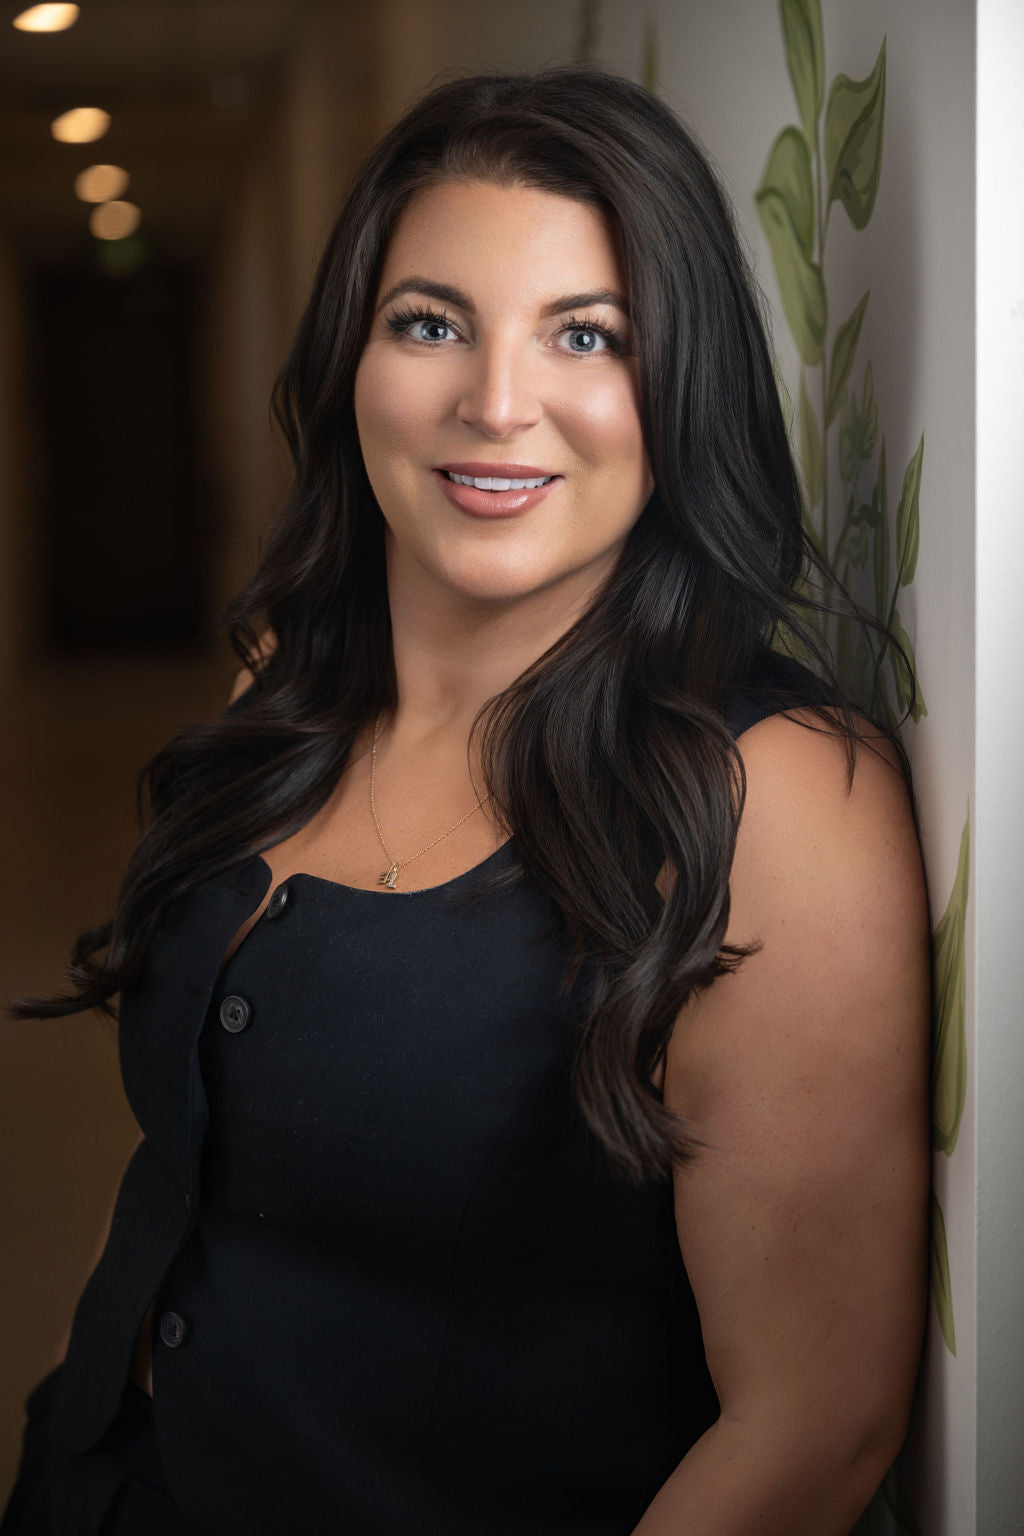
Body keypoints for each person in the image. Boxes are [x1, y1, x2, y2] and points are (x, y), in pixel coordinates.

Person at [3, 65, 929, 1536]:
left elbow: (812, 1429)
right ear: (350, 364)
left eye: (588, 336)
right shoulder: (287, 687)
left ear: (678, 381)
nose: (496, 404)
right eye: (430, 322)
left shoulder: (777, 796)